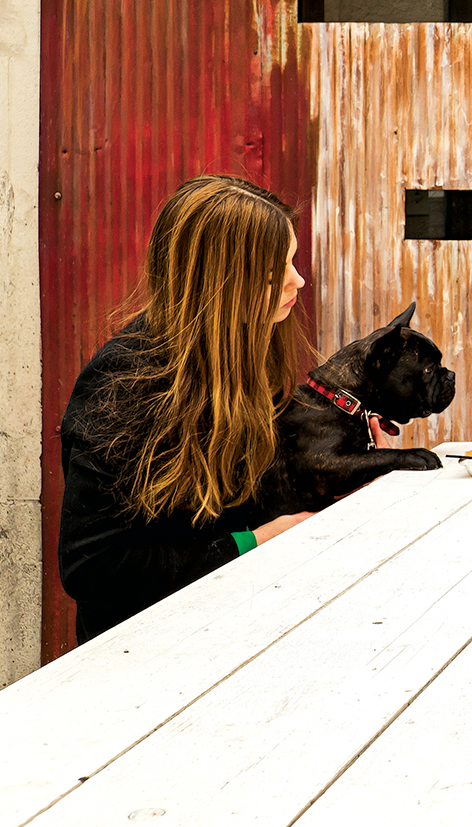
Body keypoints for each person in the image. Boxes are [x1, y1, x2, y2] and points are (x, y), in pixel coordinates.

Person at [59, 175, 316, 644]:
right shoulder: (125, 382)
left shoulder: (241, 351)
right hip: (145, 657)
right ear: (220, 278)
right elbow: (93, 567)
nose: (298, 279)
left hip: (230, 632)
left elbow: (242, 500)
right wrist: (250, 545)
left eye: (293, 259)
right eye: (274, 269)